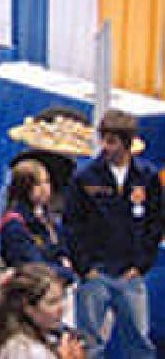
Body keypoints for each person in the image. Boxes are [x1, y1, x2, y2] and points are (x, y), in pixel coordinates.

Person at [63, 109, 162, 358]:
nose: (105, 147)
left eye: (112, 141)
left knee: (138, 343)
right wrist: (85, 267)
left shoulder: (147, 176)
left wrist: (141, 265)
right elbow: (72, 224)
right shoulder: (84, 178)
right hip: (95, 273)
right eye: (103, 140)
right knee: (90, 345)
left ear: (127, 143)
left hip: (130, 274)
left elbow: (156, 222)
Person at [0, 263, 86, 359]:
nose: (61, 308)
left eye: (62, 298)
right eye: (52, 302)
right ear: (28, 308)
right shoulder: (24, 350)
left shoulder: (44, 337)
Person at [0, 159, 76, 284]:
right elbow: (35, 268)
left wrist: (63, 257)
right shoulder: (15, 225)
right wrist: (66, 271)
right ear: (24, 187)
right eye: (38, 184)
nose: (45, 188)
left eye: (47, 181)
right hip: (30, 289)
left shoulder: (45, 215)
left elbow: (61, 247)